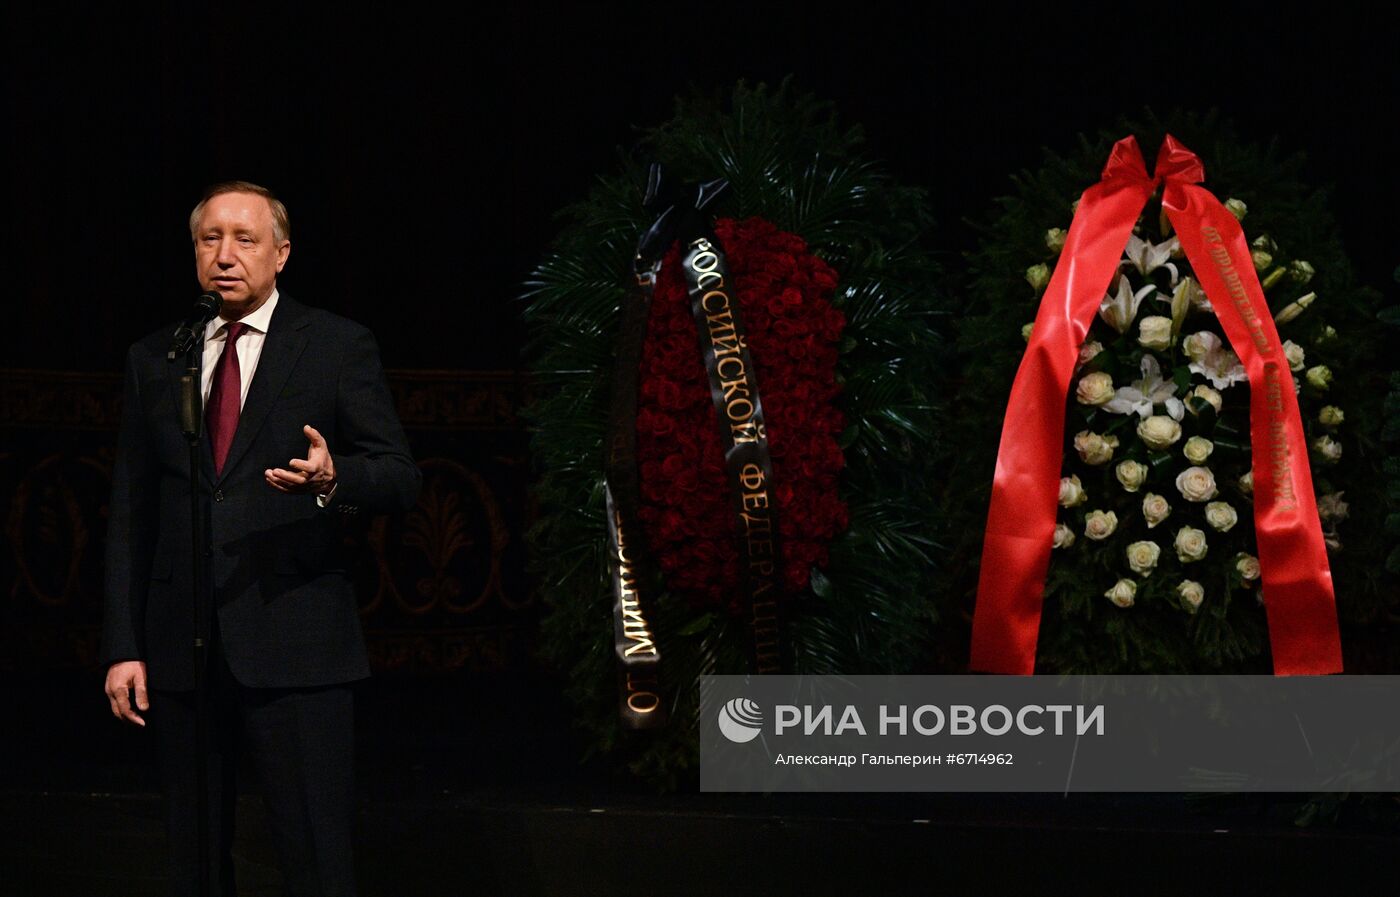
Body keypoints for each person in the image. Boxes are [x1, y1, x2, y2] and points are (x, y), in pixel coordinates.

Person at [100, 181, 420, 896]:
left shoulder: (335, 345)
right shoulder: (158, 358)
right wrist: (124, 642)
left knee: (314, 854)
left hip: (297, 640)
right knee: (194, 856)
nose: (225, 255)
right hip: (183, 647)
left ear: (281, 253)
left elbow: (400, 475)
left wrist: (336, 476)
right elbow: (132, 508)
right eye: (210, 239)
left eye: (245, 239)